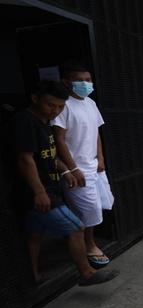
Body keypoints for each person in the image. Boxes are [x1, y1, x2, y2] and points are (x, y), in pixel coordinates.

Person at [7, 80, 119, 286]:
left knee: (34, 236)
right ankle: (86, 273)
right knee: (76, 228)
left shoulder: (44, 123)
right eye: (51, 105)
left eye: (60, 106)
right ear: (34, 98)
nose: (55, 110)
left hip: (48, 189)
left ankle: (33, 278)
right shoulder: (24, 121)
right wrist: (40, 192)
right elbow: (25, 159)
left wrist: (66, 172)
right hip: (38, 193)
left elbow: (49, 156)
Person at [51, 60, 113, 269]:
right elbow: (58, 140)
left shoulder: (90, 103)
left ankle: (80, 240)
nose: (85, 84)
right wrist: (72, 168)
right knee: (90, 210)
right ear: (66, 82)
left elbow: (96, 132)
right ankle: (88, 245)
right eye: (79, 81)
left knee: (101, 205)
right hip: (74, 168)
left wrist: (100, 158)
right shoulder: (63, 105)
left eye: (87, 80)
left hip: (93, 164)